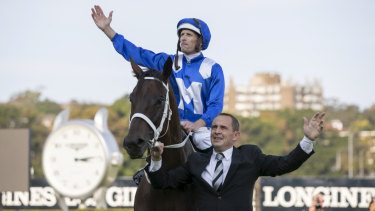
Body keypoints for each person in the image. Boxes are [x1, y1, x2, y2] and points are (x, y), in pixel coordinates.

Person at [91, 5, 225, 153]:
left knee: (216, 159)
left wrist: (198, 124)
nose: (183, 38)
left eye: (189, 35)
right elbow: (138, 54)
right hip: (170, 128)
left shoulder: (213, 68)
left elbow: (215, 105)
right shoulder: (167, 61)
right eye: (182, 35)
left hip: (201, 131)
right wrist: (108, 30)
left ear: (200, 41)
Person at [147, 112, 325, 211]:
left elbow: (285, 164)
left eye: (223, 128)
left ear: (236, 135)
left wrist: (308, 140)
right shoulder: (196, 160)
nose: (217, 131)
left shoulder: (250, 156)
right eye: (214, 127)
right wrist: (155, 160)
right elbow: (162, 182)